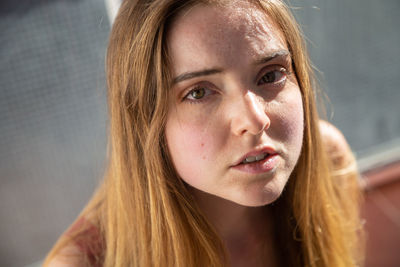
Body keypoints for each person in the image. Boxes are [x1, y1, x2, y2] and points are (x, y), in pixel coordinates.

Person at [44, 0, 364, 266]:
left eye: (271, 75)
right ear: (143, 121)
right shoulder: (85, 262)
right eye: (199, 92)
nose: (255, 120)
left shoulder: (328, 161)